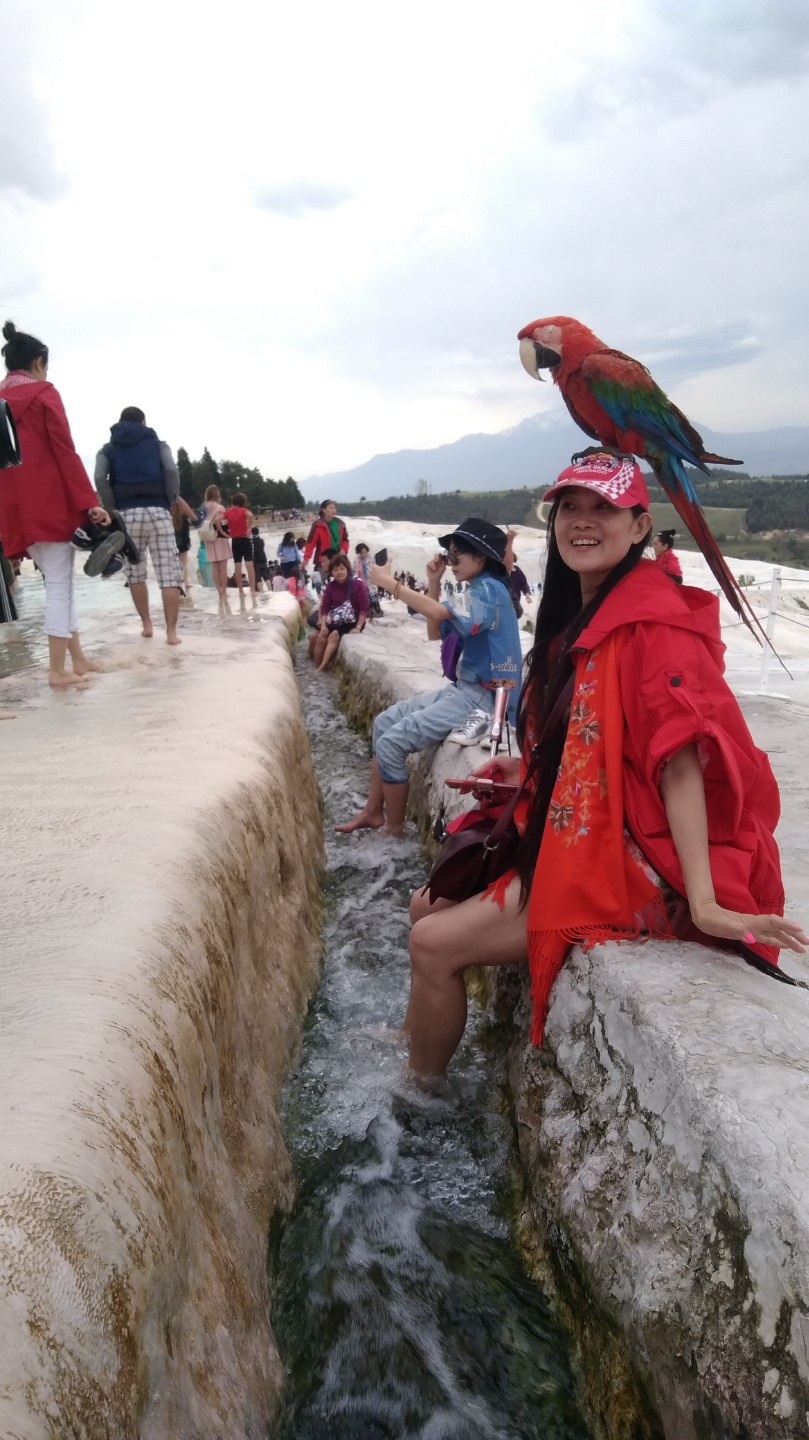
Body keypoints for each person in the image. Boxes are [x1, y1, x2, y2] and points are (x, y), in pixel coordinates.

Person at [400, 451, 808, 1081]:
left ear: (639, 526)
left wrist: (704, 901)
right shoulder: (584, 612)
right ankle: (419, 1037)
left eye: (604, 508)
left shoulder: (653, 622)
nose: (583, 521)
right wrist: (531, 773)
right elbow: (597, 741)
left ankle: (418, 1097)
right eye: (571, 507)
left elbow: (680, 761)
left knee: (431, 943)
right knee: (425, 907)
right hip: (584, 825)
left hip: (630, 858)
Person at [335, 519, 521, 837]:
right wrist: (434, 581)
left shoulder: (489, 590)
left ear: (481, 557)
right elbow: (435, 631)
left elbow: (438, 615)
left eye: (456, 555)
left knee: (392, 743)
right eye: (448, 555)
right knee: (383, 724)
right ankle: (373, 811)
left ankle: (394, 832)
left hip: (484, 698)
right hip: (465, 689)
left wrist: (391, 584)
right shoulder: (478, 589)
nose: (451, 561)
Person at [0, 320, 112, 688]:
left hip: (15, 509)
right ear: (38, 363)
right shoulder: (45, 394)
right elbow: (65, 452)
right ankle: (56, 671)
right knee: (61, 586)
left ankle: (77, 658)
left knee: (57, 583)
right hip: (49, 504)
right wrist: (89, 502)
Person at [95, 406, 184, 644]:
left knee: (135, 572)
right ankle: (172, 633)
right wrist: (171, 499)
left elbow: (100, 478)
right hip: (158, 511)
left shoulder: (107, 449)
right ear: (143, 422)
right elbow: (171, 470)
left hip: (127, 514)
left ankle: (147, 625)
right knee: (169, 573)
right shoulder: (159, 445)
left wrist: (112, 507)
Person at [313, 551, 370, 671]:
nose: (339, 572)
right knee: (321, 637)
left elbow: (364, 608)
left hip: (353, 620)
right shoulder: (330, 586)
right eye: (335, 570)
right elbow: (325, 607)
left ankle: (322, 667)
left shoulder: (357, 585)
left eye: (342, 569)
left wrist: (358, 627)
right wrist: (323, 626)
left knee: (333, 635)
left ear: (347, 569)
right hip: (338, 619)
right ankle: (316, 667)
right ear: (331, 572)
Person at [199, 485, 231, 603]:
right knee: (223, 567)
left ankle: (219, 592)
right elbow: (224, 522)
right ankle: (224, 592)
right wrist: (224, 532)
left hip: (209, 538)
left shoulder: (202, 507)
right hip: (220, 537)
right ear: (216, 494)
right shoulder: (220, 507)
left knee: (214, 567)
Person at [223, 493, 256, 596]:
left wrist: (223, 532)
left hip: (235, 541)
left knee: (237, 566)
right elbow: (250, 515)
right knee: (249, 565)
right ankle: (253, 590)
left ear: (233, 502)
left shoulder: (228, 512)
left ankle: (241, 591)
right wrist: (249, 528)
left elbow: (216, 519)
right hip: (245, 539)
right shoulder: (243, 511)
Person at [303, 500, 349, 571]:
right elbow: (311, 543)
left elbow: (345, 540)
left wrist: (344, 549)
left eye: (334, 508)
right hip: (322, 562)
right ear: (324, 510)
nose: (334, 510)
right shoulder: (317, 525)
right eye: (331, 508)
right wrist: (306, 558)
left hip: (338, 560)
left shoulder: (340, 524)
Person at [171, 496, 199, 592]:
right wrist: (188, 543)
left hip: (173, 544)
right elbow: (186, 533)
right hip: (183, 544)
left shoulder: (169, 519)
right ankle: (185, 582)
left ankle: (176, 582)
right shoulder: (184, 518)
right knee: (184, 564)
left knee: (174, 564)